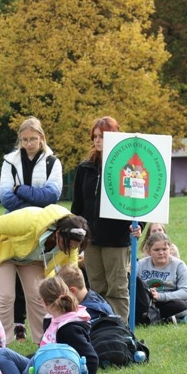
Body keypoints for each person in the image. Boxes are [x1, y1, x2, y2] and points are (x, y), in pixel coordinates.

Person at [0, 204, 89, 344]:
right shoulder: (30, 221)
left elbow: (70, 270)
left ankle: (44, 341)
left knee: (40, 296)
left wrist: (72, 290)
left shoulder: (72, 239)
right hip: (5, 252)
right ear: (58, 232)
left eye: (74, 247)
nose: (70, 249)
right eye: (68, 245)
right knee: (5, 296)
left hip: (32, 259)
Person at [0, 117, 63, 342]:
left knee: (39, 293)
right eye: (24, 140)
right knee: (4, 296)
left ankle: (42, 341)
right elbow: (6, 198)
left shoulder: (52, 162)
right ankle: (1, 342)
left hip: (42, 231)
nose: (29, 143)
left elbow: (52, 196)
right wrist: (34, 201)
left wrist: (21, 190)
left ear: (41, 138)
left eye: (33, 139)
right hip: (13, 229)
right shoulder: (9, 161)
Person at [71, 116, 142, 322]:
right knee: (96, 287)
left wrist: (139, 226)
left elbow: (139, 202)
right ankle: (102, 329)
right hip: (91, 239)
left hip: (117, 238)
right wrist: (77, 234)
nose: (98, 141)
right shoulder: (85, 168)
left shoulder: (128, 167)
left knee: (117, 288)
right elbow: (78, 206)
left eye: (102, 136)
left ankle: (120, 332)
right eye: (95, 136)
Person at [0, 276, 106, 374]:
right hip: (43, 367)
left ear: (44, 302)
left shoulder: (69, 328)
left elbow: (91, 359)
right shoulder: (51, 320)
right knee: (2, 354)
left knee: (32, 361)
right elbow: (44, 351)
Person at [137, 233, 187, 322]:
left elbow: (186, 292)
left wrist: (160, 296)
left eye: (164, 249)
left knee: (181, 305)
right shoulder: (140, 264)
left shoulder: (179, 265)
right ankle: (161, 318)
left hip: (169, 302)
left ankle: (153, 317)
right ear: (149, 250)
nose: (161, 253)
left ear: (170, 248)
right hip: (146, 301)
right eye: (156, 250)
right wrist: (148, 293)